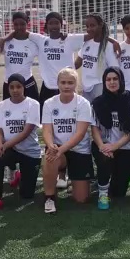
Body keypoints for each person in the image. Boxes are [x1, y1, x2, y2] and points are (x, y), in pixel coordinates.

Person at [41, 68, 95, 213]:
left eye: (70, 83)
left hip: (79, 150)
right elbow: (46, 130)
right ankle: (49, 198)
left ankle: (71, 176)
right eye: (63, 82)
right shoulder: (49, 103)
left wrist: (60, 150)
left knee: (81, 199)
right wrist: (51, 145)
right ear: (57, 84)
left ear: (76, 84)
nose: (66, 86)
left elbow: (80, 133)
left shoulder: (83, 103)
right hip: (59, 151)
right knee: (50, 157)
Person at [0, 74, 42, 212]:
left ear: (24, 88)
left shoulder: (33, 104)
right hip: (11, 150)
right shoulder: (2, 105)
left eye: (18, 86)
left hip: (30, 152)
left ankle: (19, 175)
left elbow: (26, 132)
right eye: (12, 87)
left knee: (27, 195)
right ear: (8, 89)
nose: (15, 90)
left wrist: (4, 145)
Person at [90, 67, 130, 210]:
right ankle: (102, 192)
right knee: (104, 157)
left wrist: (115, 146)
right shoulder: (97, 103)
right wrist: (102, 146)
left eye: (115, 79)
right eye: (108, 79)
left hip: (125, 148)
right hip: (104, 145)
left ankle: (120, 175)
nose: (112, 82)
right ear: (104, 82)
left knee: (119, 193)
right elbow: (95, 129)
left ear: (121, 80)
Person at [0, 10, 43, 101]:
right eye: (16, 24)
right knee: (9, 113)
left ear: (27, 23)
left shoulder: (33, 43)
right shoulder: (7, 42)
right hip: (9, 84)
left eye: (22, 24)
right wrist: (3, 39)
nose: (19, 27)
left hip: (28, 83)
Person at [74, 12, 122, 101]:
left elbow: (114, 69)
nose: (89, 29)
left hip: (100, 86)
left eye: (92, 25)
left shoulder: (109, 46)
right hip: (86, 87)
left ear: (101, 25)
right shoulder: (86, 43)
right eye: (87, 26)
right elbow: (78, 63)